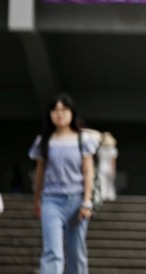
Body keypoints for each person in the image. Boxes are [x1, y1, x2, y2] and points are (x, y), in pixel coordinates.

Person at [28, 92, 98, 274]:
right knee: (53, 251)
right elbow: (40, 173)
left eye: (64, 109)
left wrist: (87, 202)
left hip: (77, 200)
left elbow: (89, 172)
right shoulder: (43, 141)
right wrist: (37, 200)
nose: (59, 114)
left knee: (76, 251)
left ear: (72, 113)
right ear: (50, 114)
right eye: (55, 110)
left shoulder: (83, 139)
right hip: (51, 200)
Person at [96, 132, 118, 202]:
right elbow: (113, 161)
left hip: (101, 167)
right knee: (110, 182)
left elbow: (98, 159)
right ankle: (110, 195)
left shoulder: (100, 149)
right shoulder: (113, 150)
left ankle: (103, 195)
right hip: (109, 167)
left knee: (102, 182)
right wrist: (113, 169)